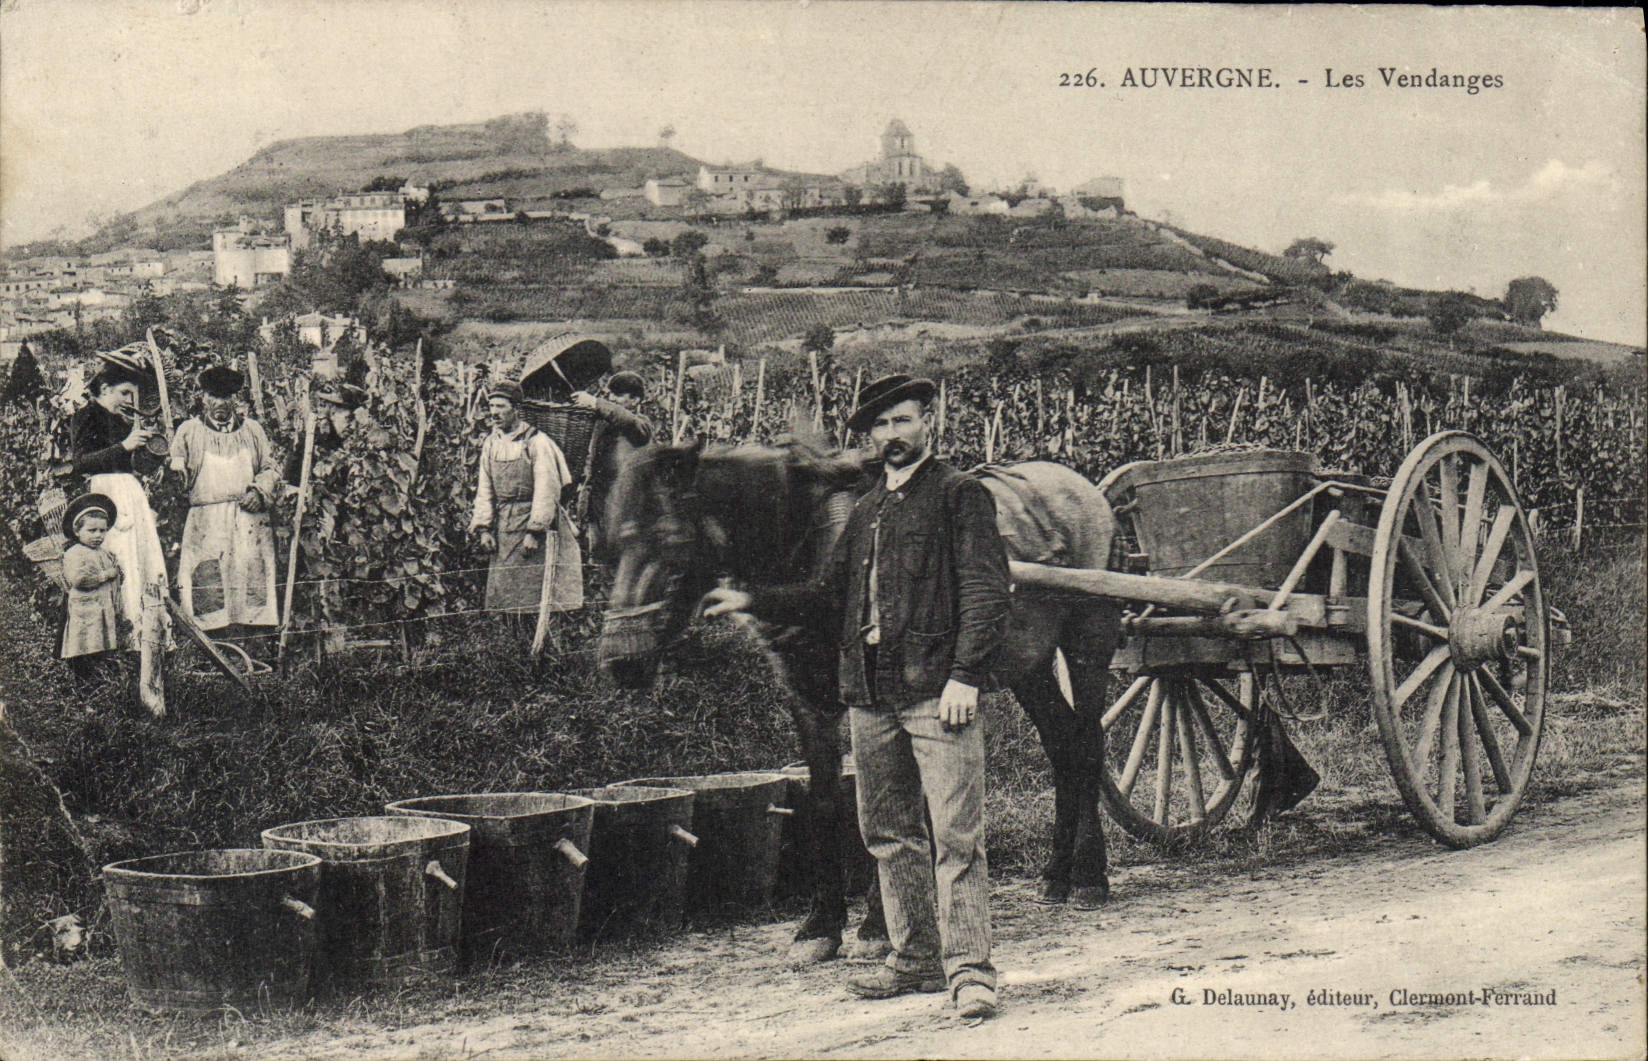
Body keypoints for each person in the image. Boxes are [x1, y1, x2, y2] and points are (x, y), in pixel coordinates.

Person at [705, 374, 1010, 1021]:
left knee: (956, 835)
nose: (893, 435)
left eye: (903, 420)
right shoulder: (869, 510)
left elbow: (986, 594)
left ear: (927, 420)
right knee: (889, 831)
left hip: (936, 691)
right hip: (870, 694)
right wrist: (751, 597)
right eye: (881, 426)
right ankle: (915, 956)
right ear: (869, 436)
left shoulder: (961, 495)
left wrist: (966, 675)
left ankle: (971, 970)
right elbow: (824, 594)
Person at [171, 366, 281, 634]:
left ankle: (253, 640)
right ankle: (211, 645)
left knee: (251, 579)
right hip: (206, 521)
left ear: (235, 399)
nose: (220, 404)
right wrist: (175, 473)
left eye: (226, 397)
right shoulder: (188, 432)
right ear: (203, 398)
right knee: (208, 583)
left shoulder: (253, 431)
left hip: (248, 520)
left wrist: (259, 492)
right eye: (213, 397)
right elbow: (176, 472)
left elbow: (270, 469)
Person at [68, 348, 168, 632]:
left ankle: (148, 630)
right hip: (105, 493)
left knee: (141, 555)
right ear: (104, 388)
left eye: (132, 396)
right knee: (118, 555)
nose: (128, 401)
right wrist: (124, 446)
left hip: (129, 492)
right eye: (124, 393)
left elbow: (137, 465)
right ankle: (121, 630)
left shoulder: (123, 421)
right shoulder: (85, 416)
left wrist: (149, 450)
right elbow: (80, 462)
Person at [470, 378, 583, 624]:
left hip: (533, 523)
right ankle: (515, 645)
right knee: (507, 595)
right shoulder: (491, 443)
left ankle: (544, 644)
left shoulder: (537, 442)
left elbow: (547, 490)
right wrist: (483, 528)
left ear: (516, 409)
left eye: (501, 407)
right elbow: (485, 489)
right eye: (492, 407)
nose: (495, 413)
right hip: (505, 525)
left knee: (538, 594)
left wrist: (535, 530)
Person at [571, 370, 653, 562]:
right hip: (598, 503)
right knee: (598, 559)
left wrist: (596, 403)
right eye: (610, 394)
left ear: (636, 400)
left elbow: (627, 420)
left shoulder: (641, 425)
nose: (612, 399)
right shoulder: (604, 425)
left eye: (618, 395)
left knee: (623, 559)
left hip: (626, 506)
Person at [59, 492, 125, 682]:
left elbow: (116, 578)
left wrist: (118, 573)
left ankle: (102, 681)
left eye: (102, 531)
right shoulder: (74, 553)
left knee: (101, 646)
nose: (98, 536)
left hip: (102, 608)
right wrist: (106, 575)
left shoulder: (103, 553)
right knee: (84, 645)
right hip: (84, 611)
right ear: (78, 531)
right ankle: (82, 685)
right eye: (92, 530)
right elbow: (79, 579)